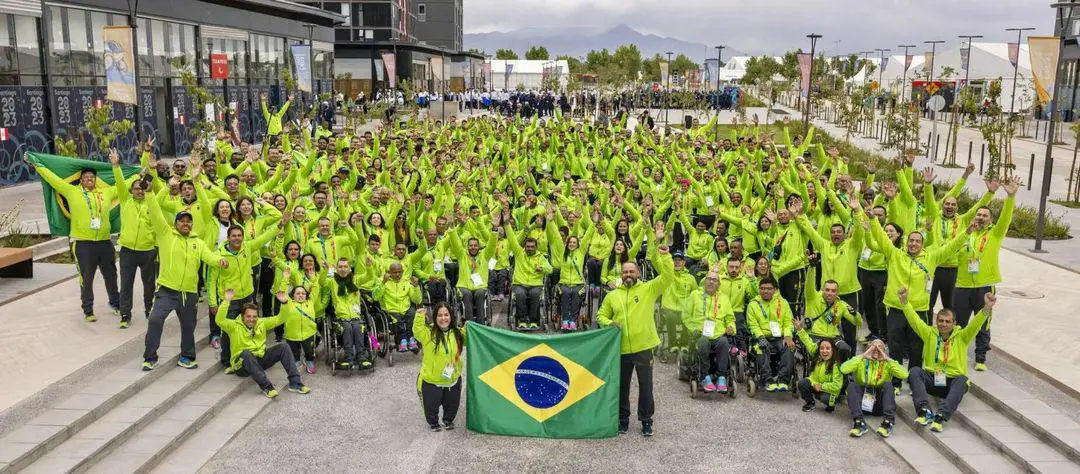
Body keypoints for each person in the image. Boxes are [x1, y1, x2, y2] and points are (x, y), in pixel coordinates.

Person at [597, 224, 674, 437]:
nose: (628, 274)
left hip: (643, 347)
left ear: (638, 272)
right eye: (625, 272)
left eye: (631, 271)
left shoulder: (649, 289)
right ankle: (623, 420)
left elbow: (667, 276)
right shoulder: (613, 295)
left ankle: (646, 421)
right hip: (620, 347)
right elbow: (601, 315)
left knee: (645, 388)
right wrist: (608, 323)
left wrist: (662, 249)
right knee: (622, 387)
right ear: (621, 274)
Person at [28, 153, 121, 322]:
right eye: (85, 177)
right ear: (80, 180)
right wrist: (37, 164)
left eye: (92, 177)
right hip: (83, 243)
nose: (89, 179)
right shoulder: (72, 191)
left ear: (96, 179)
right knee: (86, 278)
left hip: (104, 242)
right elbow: (53, 179)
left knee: (111, 275)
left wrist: (143, 171)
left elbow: (124, 185)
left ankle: (115, 303)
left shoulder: (106, 193)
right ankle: (88, 310)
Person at [142, 190, 228, 371]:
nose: (186, 224)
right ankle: (150, 357)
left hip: (189, 293)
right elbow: (156, 213)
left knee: (189, 326)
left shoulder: (198, 242)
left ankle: (187, 357)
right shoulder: (166, 234)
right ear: (176, 223)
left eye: (189, 221)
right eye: (182, 221)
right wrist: (149, 192)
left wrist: (220, 261)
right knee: (155, 320)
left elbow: (209, 257)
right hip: (167, 289)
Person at [902, 288, 996, 433]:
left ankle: (940, 417)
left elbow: (975, 324)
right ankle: (924, 412)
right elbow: (914, 320)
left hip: (952, 383)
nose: (943, 324)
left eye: (947, 321)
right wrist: (904, 302)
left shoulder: (963, 336)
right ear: (936, 321)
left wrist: (986, 307)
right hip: (933, 380)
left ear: (954, 323)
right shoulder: (929, 334)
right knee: (915, 371)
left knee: (963, 380)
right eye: (940, 321)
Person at [952, 178, 1017, 371]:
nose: (980, 217)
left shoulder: (995, 234)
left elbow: (1006, 217)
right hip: (962, 285)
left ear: (990, 220)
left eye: (985, 215)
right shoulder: (964, 234)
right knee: (959, 324)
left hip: (984, 285)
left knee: (984, 322)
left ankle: (980, 357)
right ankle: (957, 353)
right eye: (978, 214)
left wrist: (1011, 196)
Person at [218, 289, 311, 398]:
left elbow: (280, 319)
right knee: (246, 354)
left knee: (283, 346)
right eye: (248, 316)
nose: (252, 320)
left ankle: (295, 383)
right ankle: (267, 387)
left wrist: (285, 303)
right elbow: (219, 320)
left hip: (259, 359)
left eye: (254, 316)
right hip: (242, 365)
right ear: (243, 316)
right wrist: (226, 301)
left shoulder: (261, 323)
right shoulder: (233, 326)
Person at [110, 149, 156, 328]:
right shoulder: (125, 201)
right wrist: (116, 165)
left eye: (142, 188)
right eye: (136, 188)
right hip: (128, 251)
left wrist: (150, 172)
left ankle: (149, 310)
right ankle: (125, 315)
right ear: (131, 191)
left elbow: (152, 184)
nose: (139, 191)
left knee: (149, 285)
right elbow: (120, 182)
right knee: (126, 285)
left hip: (148, 252)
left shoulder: (152, 203)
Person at [413, 302, 466, 432]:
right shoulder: (428, 333)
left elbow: (472, 339)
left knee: (452, 405)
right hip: (432, 380)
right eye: (439, 315)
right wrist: (419, 317)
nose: (443, 318)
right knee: (431, 406)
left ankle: (448, 420)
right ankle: (433, 422)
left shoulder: (458, 333)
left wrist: (470, 328)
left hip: (452, 379)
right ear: (435, 318)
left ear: (451, 316)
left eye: (446, 315)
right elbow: (417, 331)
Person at [841, 339, 909, 438]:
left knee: (888, 385)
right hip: (861, 404)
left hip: (878, 405)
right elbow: (844, 369)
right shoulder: (861, 360)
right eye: (873, 347)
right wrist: (863, 356)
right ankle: (859, 422)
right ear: (868, 349)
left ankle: (888, 422)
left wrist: (887, 358)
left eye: (880, 347)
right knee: (852, 385)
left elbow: (904, 374)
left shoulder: (887, 363)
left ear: (884, 351)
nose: (876, 349)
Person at [683, 271, 735, 393]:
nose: (711, 282)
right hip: (700, 332)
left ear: (718, 284)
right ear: (704, 281)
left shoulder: (724, 298)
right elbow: (685, 315)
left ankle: (722, 376)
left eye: (714, 280)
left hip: (718, 333)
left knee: (724, 342)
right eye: (709, 279)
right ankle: (705, 376)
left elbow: (730, 318)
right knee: (703, 342)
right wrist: (693, 328)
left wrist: (731, 326)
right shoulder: (695, 295)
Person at [746, 275, 795, 392]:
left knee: (789, 347)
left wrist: (788, 335)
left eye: (769, 288)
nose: (765, 291)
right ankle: (767, 380)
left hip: (780, 336)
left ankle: (783, 380)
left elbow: (789, 321)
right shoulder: (753, 304)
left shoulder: (783, 303)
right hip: (762, 336)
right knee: (761, 348)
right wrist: (760, 337)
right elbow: (753, 325)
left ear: (774, 290)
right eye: (762, 288)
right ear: (759, 289)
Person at [794, 328, 843, 413]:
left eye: (828, 348)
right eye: (822, 348)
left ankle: (831, 405)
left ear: (833, 350)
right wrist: (800, 330)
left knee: (826, 399)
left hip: (828, 391)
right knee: (802, 383)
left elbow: (837, 385)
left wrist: (821, 386)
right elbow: (808, 342)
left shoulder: (836, 364)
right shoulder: (817, 355)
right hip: (815, 384)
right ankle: (810, 402)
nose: (824, 351)